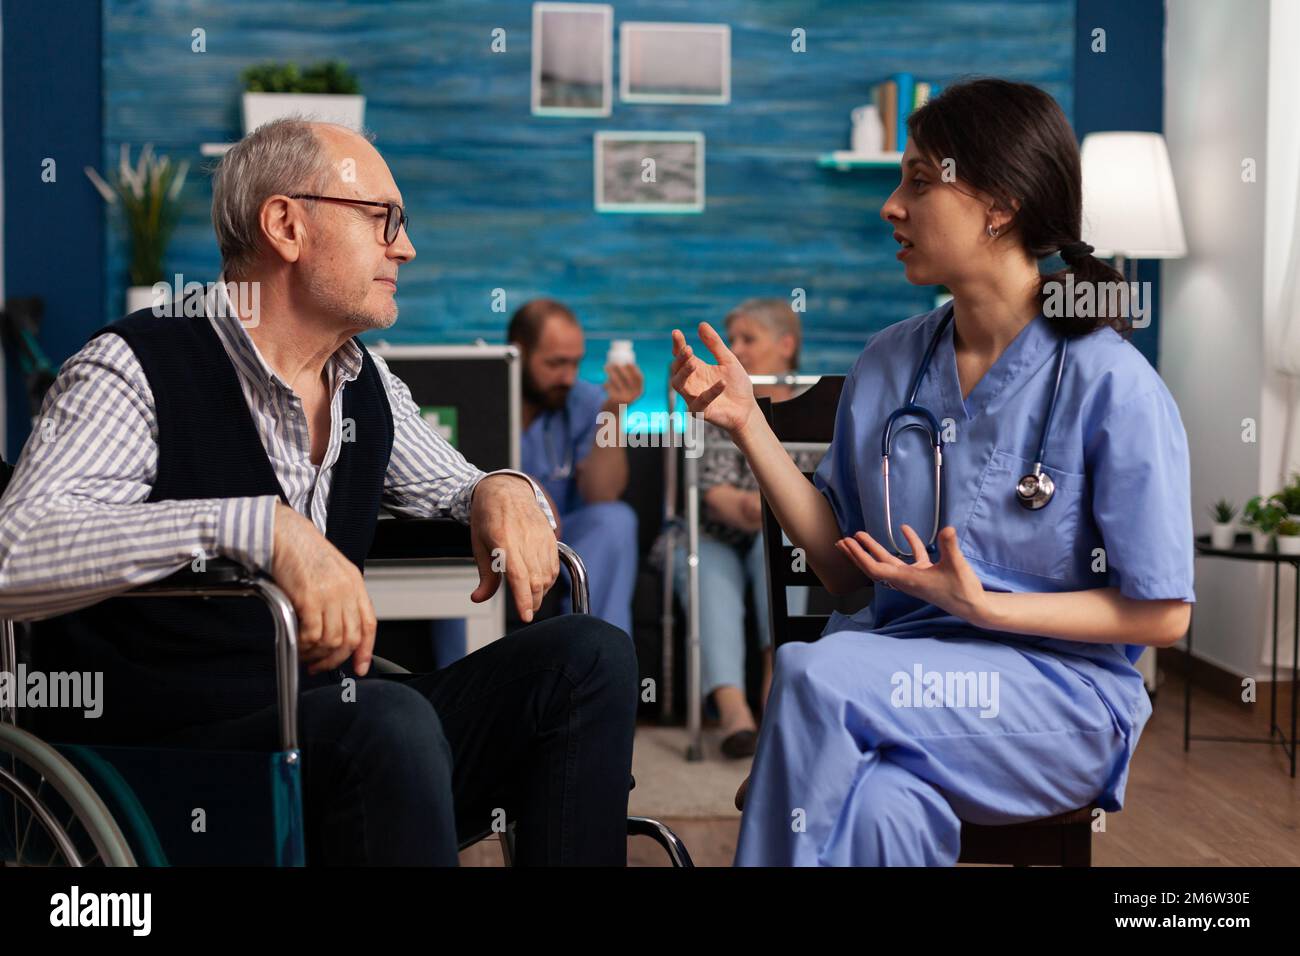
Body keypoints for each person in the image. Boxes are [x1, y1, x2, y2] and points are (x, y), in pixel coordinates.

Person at [0, 118, 638, 866]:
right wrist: (260, 528)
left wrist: (500, 487)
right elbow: (14, 552)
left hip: (333, 734)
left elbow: (457, 480)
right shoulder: (132, 367)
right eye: (383, 219)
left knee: (589, 657)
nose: (404, 247)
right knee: (387, 721)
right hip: (177, 759)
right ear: (286, 225)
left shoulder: (363, 380)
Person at [670, 78, 1194, 866]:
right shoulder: (889, 362)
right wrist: (749, 425)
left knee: (817, 676)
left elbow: (1163, 617)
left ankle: (792, 757)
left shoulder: (1111, 383)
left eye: (920, 181)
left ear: (1000, 204)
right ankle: (802, 762)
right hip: (892, 684)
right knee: (881, 810)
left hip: (1053, 700)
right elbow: (842, 573)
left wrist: (988, 609)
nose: (892, 205)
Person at [663, 298, 822, 758]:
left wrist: (765, 507)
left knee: (780, 541)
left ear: (786, 345)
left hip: (774, 534)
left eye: (747, 339)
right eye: (732, 340)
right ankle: (734, 712)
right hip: (712, 534)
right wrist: (769, 501)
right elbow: (715, 498)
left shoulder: (816, 412)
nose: (736, 350)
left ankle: (778, 695)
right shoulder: (716, 404)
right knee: (706, 564)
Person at [510, 298, 643, 634]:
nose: (568, 377)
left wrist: (613, 412)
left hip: (564, 535)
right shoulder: (481, 399)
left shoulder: (586, 401)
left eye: (575, 363)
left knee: (616, 519)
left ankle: (599, 655)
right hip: (497, 537)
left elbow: (602, 493)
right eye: (555, 364)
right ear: (519, 351)